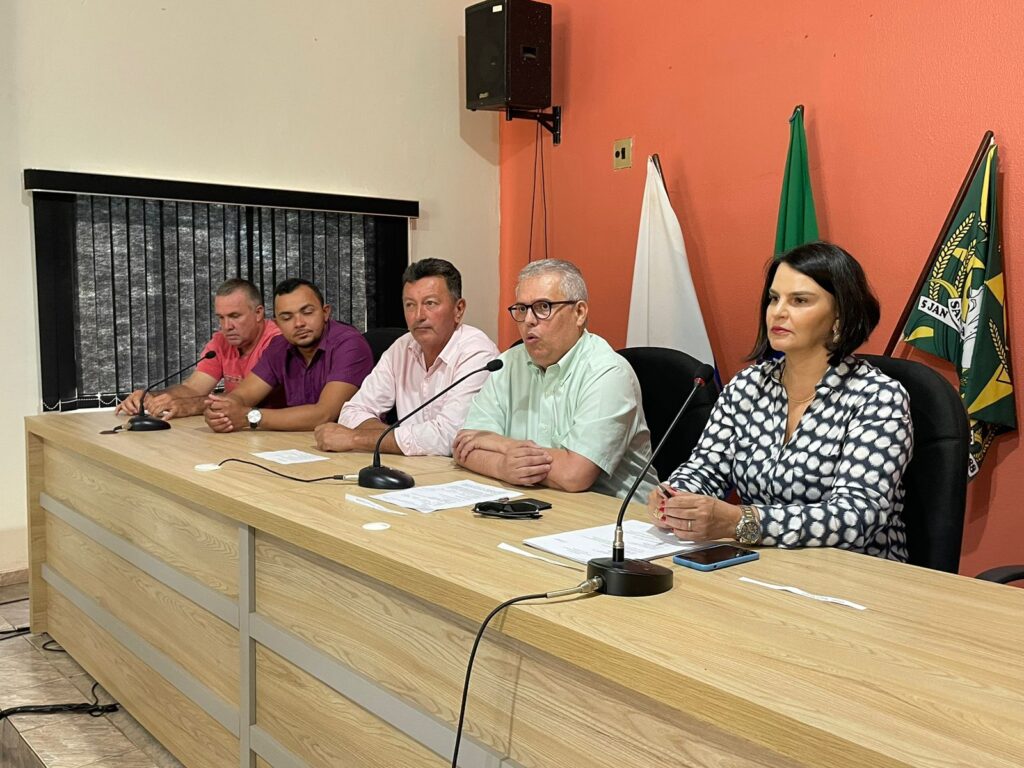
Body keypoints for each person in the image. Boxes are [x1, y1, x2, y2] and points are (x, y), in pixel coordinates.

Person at [651, 241, 912, 560]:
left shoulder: (878, 397)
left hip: (857, 573)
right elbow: (706, 468)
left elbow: (856, 517)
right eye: (774, 299)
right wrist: (675, 496)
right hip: (765, 562)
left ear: (840, 315)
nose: (778, 311)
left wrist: (741, 521)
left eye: (799, 300)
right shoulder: (747, 386)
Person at [453, 259, 656, 499]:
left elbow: (573, 475)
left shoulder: (608, 372)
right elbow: (464, 447)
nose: (529, 320)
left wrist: (500, 451)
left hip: (613, 513)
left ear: (579, 313)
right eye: (522, 309)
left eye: (543, 307)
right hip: (540, 503)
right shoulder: (507, 364)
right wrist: (502, 463)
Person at [314, 259, 498, 456]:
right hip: (407, 464)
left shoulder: (478, 354)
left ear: (458, 309)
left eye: (430, 303)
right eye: (410, 305)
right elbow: (352, 411)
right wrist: (390, 439)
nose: (418, 315)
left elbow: (448, 437)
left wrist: (356, 439)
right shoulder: (401, 347)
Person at [204, 278, 373, 432]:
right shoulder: (279, 346)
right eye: (287, 317)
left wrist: (249, 417)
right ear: (277, 323)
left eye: (307, 312)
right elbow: (243, 395)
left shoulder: (349, 344)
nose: (299, 323)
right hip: (296, 443)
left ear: (325, 312)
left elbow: (324, 414)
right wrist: (222, 410)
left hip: (349, 446)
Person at [115, 278, 280, 420]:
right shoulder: (221, 341)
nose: (227, 326)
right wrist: (151, 398)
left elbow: (245, 399)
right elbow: (193, 388)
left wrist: (189, 406)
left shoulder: (277, 342)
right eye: (221, 317)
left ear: (258, 313)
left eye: (234, 316)